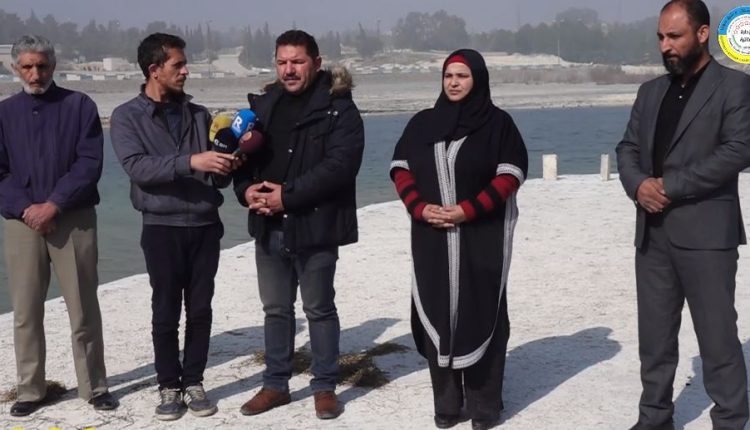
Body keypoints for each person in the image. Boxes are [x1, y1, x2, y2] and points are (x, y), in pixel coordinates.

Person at [616, 1, 750, 429]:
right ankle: (654, 417)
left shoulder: (735, 87)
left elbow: (738, 150)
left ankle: (730, 420)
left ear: (703, 34)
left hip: (707, 234)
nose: (665, 46)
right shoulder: (649, 92)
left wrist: (669, 186)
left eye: (675, 36)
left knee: (718, 339)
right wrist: (638, 185)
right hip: (652, 234)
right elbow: (627, 148)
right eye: (660, 37)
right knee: (654, 339)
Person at [390, 49, 528, 430]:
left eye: (462, 76)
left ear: (477, 79)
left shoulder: (498, 124)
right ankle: (448, 406)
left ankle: (484, 407)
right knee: (437, 312)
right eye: (448, 75)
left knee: (483, 313)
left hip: (481, 239)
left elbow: (510, 174)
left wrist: (468, 210)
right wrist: (419, 208)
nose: (453, 82)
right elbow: (401, 168)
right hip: (431, 238)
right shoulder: (422, 123)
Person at [233, 29, 364, 420]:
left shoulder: (340, 109)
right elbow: (241, 159)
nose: (288, 70)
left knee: (318, 309)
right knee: (275, 309)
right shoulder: (263, 106)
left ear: (316, 63)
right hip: (268, 226)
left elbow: (340, 167)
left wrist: (286, 196)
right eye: (282, 62)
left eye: (297, 62)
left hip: (315, 225)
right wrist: (246, 191)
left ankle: (324, 387)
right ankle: (275, 384)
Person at [110, 33, 238, 421]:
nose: (186, 71)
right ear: (154, 70)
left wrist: (228, 163)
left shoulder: (200, 115)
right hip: (161, 227)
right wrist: (192, 162)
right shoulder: (126, 117)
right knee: (165, 310)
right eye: (177, 65)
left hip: (205, 224)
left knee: (200, 309)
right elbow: (138, 168)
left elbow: (217, 177)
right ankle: (168, 385)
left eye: (184, 64)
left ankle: (194, 381)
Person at [0, 35, 118, 416]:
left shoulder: (79, 106)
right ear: (15, 68)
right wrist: (27, 208)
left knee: (83, 307)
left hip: (73, 219)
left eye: (42, 65)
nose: (35, 74)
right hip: (22, 223)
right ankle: (30, 389)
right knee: (25, 311)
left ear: (53, 65)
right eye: (27, 67)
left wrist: (53, 205)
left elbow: (89, 164)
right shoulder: (4, 113)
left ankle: (94, 386)